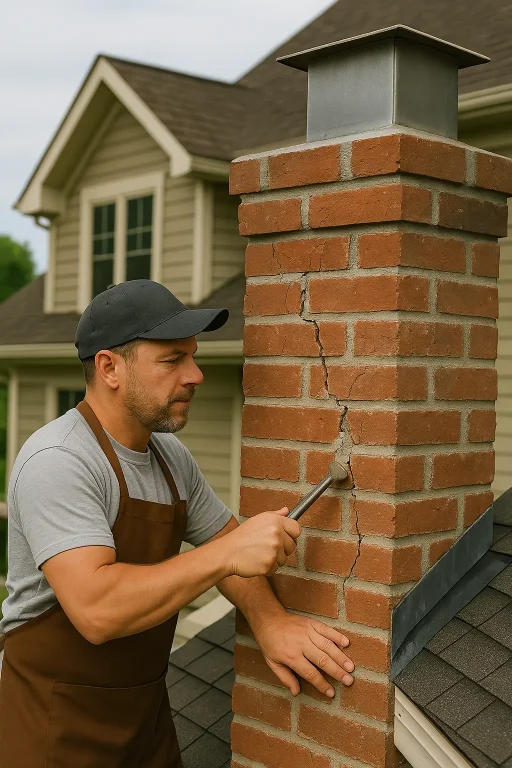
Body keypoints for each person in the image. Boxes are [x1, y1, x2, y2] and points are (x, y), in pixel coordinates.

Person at [0, 280, 355, 767]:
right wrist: (227, 556)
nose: (195, 375)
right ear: (109, 368)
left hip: (144, 723)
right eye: (172, 360)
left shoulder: (170, 458)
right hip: (52, 729)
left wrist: (270, 621)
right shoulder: (59, 460)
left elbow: (226, 538)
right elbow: (96, 610)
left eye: (193, 357)